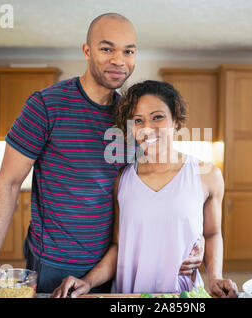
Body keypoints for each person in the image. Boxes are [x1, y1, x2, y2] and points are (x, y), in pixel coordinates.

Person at [0, 13, 203, 297]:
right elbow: (7, 184)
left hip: (112, 264)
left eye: (128, 51)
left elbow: (153, 194)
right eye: (107, 49)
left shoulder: (132, 119)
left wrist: (196, 239)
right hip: (52, 264)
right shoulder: (46, 105)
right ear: (87, 50)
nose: (119, 59)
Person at [51, 80, 238, 298]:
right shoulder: (122, 180)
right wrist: (87, 282)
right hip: (128, 297)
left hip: (182, 297)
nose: (147, 128)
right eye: (138, 120)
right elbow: (119, 247)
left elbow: (213, 233)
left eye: (157, 117)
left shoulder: (207, 175)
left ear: (175, 120)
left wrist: (215, 276)